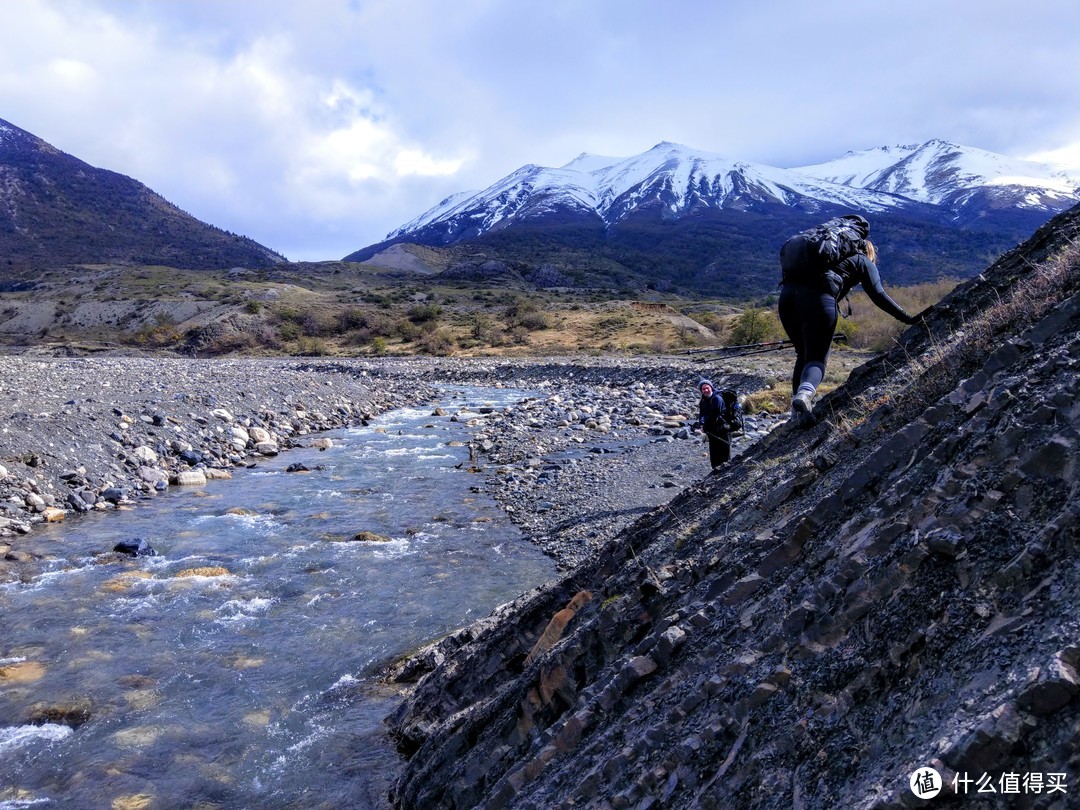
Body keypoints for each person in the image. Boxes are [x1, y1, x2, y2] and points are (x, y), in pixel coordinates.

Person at [778, 232, 919, 425]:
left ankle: (796, 415)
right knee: (816, 358)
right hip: (818, 301)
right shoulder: (862, 261)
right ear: (868, 251)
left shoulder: (818, 260)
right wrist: (907, 318)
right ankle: (804, 395)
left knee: (803, 354)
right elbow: (879, 295)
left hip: (786, 300)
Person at [693, 379, 738, 470]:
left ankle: (726, 473)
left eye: (707, 388)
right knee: (714, 455)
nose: (705, 390)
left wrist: (705, 427)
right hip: (712, 431)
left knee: (724, 455)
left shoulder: (717, 399)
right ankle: (716, 472)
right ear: (701, 391)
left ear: (711, 388)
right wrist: (702, 424)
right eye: (703, 389)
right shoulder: (703, 401)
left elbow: (714, 415)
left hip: (723, 430)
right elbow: (703, 414)